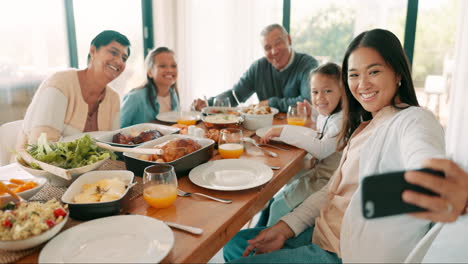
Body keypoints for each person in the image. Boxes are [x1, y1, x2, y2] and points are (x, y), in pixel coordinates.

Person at [223, 28, 446, 263]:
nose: (362, 84)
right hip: (325, 234)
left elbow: (429, 169)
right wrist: (286, 227)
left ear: (398, 73)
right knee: (235, 245)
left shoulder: (414, 119)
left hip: (348, 252)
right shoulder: (367, 125)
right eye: (354, 75)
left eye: (374, 71)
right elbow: (331, 192)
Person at [256, 62, 344, 227]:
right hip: (317, 173)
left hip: (326, 182)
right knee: (278, 196)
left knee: (278, 206)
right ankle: (262, 229)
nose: (320, 98)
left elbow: (322, 149)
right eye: (315, 92)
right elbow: (324, 126)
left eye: (328, 91)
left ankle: (266, 241)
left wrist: (283, 131)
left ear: (343, 92)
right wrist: (314, 112)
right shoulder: (331, 115)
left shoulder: (341, 120)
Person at [18, 30, 130, 145]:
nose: (119, 61)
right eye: (113, 52)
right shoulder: (60, 83)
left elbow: (113, 145)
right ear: (93, 51)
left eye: (124, 58)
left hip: (94, 163)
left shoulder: (113, 98)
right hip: (34, 161)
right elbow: (40, 144)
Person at [192, 23, 318, 113]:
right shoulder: (259, 67)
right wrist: (209, 103)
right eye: (268, 48)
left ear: (289, 40)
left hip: (298, 131)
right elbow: (235, 94)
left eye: (278, 43)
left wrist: (270, 103)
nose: (274, 51)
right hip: (266, 133)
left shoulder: (307, 64)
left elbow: (308, 101)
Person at [120, 47, 180, 128]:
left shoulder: (173, 95)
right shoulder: (135, 98)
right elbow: (118, 129)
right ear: (150, 72)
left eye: (173, 66)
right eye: (162, 66)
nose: (169, 70)